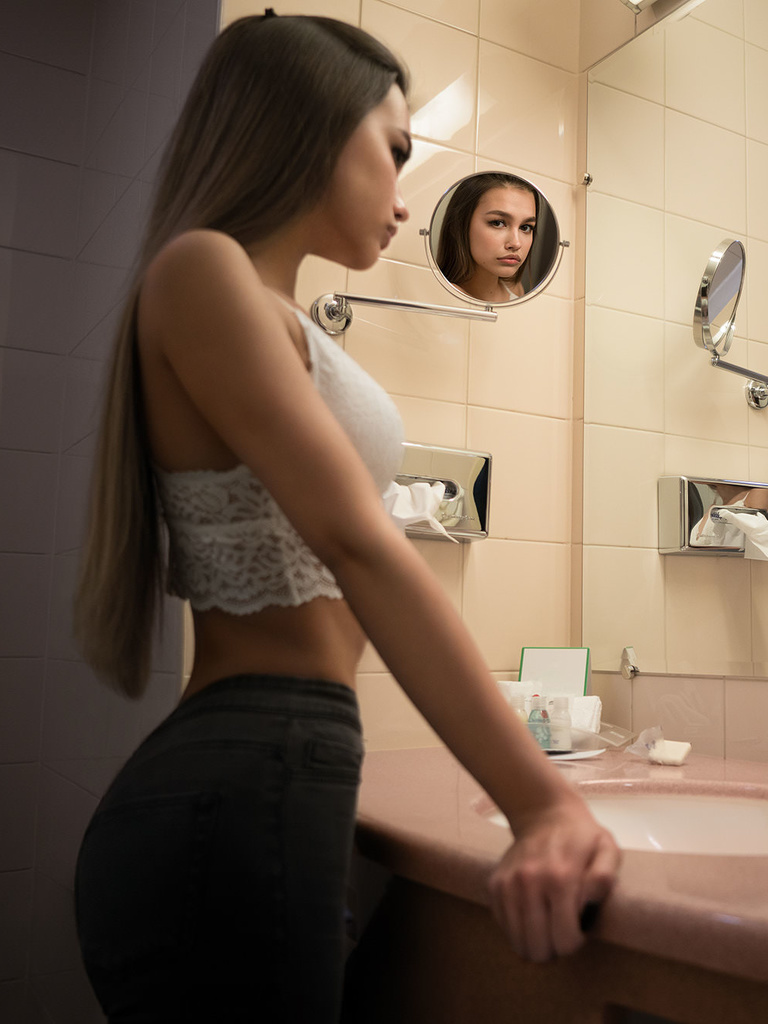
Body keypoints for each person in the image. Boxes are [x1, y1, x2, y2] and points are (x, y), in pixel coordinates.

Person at [71, 14, 618, 1022]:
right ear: (310, 128)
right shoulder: (202, 269)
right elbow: (359, 543)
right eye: (394, 150)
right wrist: (541, 800)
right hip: (241, 770)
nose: (406, 199)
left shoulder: (266, 307)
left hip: (281, 762)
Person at [435, 171, 538, 302]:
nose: (516, 243)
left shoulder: (515, 288)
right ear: (461, 224)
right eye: (498, 223)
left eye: (525, 227)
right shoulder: (443, 296)